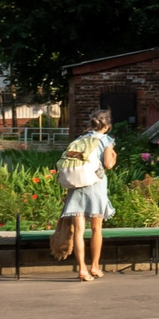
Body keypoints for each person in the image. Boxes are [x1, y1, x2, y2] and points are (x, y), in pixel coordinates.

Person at [59, 109, 118, 283]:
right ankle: (95, 266)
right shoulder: (107, 140)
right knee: (96, 229)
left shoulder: (80, 139)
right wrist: (114, 156)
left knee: (78, 230)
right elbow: (108, 165)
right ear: (106, 126)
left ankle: (82, 270)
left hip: (77, 186)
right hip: (95, 186)